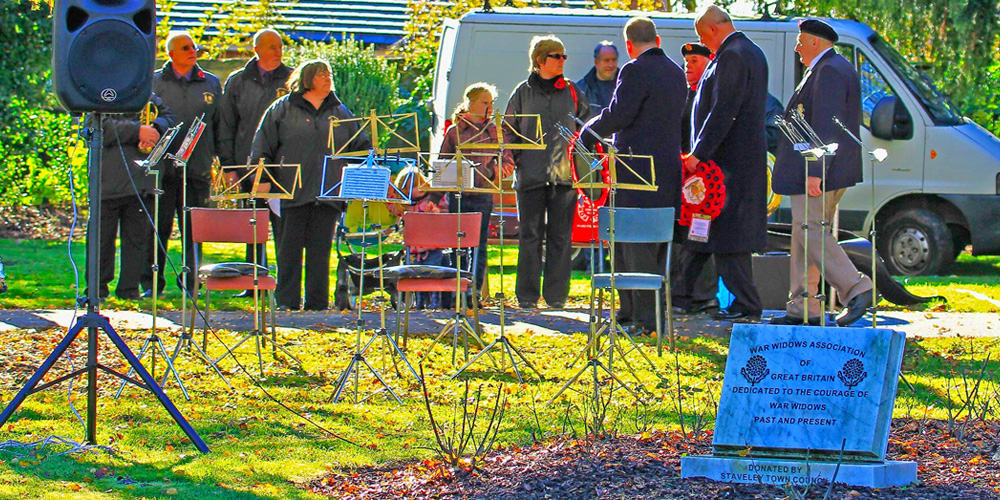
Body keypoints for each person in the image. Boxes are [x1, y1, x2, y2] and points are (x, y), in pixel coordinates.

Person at [578, 17, 686, 333]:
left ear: (628, 45)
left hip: (635, 171)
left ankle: (640, 318)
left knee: (630, 244)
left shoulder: (634, 69)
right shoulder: (677, 73)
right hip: (667, 170)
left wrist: (587, 132)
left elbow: (619, 114)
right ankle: (640, 316)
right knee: (657, 244)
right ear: (658, 39)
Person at [770, 19, 874, 327]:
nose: (798, 48)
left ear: (816, 41)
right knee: (805, 235)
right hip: (819, 168)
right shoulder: (828, 68)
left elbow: (826, 126)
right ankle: (803, 309)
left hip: (817, 169)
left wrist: (815, 170)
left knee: (811, 229)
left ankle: (856, 287)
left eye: (801, 41)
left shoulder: (827, 70)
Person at [250, 60, 371, 311]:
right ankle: (286, 303)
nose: (328, 79)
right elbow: (263, 145)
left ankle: (317, 305)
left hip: (328, 193)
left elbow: (358, 145)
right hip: (290, 191)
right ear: (307, 79)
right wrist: (261, 180)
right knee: (288, 251)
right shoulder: (281, 109)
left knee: (320, 253)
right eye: (321, 75)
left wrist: (372, 159)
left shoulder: (340, 111)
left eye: (329, 75)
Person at [676, 4, 768, 322]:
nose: (705, 43)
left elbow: (724, 109)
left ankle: (746, 304)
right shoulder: (751, 51)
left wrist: (699, 153)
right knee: (708, 236)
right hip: (736, 163)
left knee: (728, 240)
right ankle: (682, 294)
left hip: (727, 166)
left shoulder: (732, 55)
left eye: (704, 36)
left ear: (714, 29)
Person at [504, 35, 589, 309]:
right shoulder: (522, 91)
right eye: (557, 55)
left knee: (561, 237)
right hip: (530, 176)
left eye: (564, 55)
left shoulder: (573, 91)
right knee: (529, 235)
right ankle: (527, 297)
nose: (563, 60)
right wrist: (514, 158)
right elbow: (507, 129)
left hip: (565, 177)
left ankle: (556, 297)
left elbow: (587, 127)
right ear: (540, 60)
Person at [143, 31, 221, 297]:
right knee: (157, 228)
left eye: (194, 47)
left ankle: (191, 282)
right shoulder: (152, 82)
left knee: (194, 230)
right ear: (171, 54)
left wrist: (220, 159)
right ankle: (151, 284)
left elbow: (220, 125)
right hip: (162, 169)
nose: (192, 51)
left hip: (197, 168)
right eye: (185, 47)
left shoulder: (210, 83)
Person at [218, 29, 292, 294]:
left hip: (283, 168)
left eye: (280, 46)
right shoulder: (237, 81)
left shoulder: (292, 78)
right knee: (253, 225)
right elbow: (226, 126)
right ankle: (253, 282)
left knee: (285, 227)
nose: (278, 52)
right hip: (246, 165)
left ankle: (285, 283)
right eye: (271, 47)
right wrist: (229, 167)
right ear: (256, 49)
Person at [88, 95, 177, 301]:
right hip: (107, 180)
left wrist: (154, 128)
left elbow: (171, 119)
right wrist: (138, 130)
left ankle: (129, 290)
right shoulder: (101, 94)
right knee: (101, 240)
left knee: (138, 240)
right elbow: (96, 127)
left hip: (141, 181)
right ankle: (97, 290)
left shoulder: (148, 95)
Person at [440, 82, 515, 298]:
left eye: (491, 103)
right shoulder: (455, 132)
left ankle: (473, 294)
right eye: (485, 103)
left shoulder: (495, 131)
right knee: (457, 244)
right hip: (459, 195)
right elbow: (442, 164)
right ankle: (455, 293)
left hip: (483, 195)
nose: (489, 108)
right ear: (470, 104)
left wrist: (491, 171)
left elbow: (508, 164)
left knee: (479, 246)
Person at [576, 41, 620, 117]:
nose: (611, 64)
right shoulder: (582, 89)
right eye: (606, 60)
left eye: (614, 60)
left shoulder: (627, 85)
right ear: (596, 62)